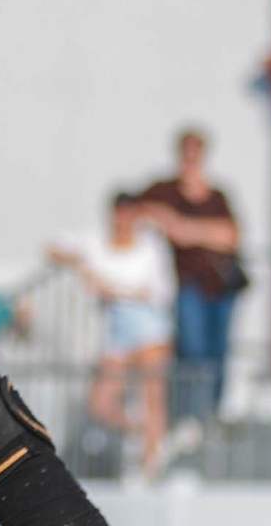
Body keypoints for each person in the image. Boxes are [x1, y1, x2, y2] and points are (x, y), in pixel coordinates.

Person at [50, 190, 176, 478]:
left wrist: (115, 290)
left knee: (152, 396)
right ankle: (140, 432)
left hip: (148, 326)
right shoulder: (96, 242)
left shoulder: (151, 246)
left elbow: (161, 292)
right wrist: (82, 267)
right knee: (100, 404)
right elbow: (54, 247)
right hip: (117, 329)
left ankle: (151, 466)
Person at [132, 128, 246, 424]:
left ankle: (211, 413)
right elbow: (135, 210)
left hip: (220, 286)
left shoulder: (217, 195)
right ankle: (191, 414)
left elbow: (231, 236)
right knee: (192, 349)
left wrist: (185, 229)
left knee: (217, 352)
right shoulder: (164, 190)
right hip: (188, 284)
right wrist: (183, 226)